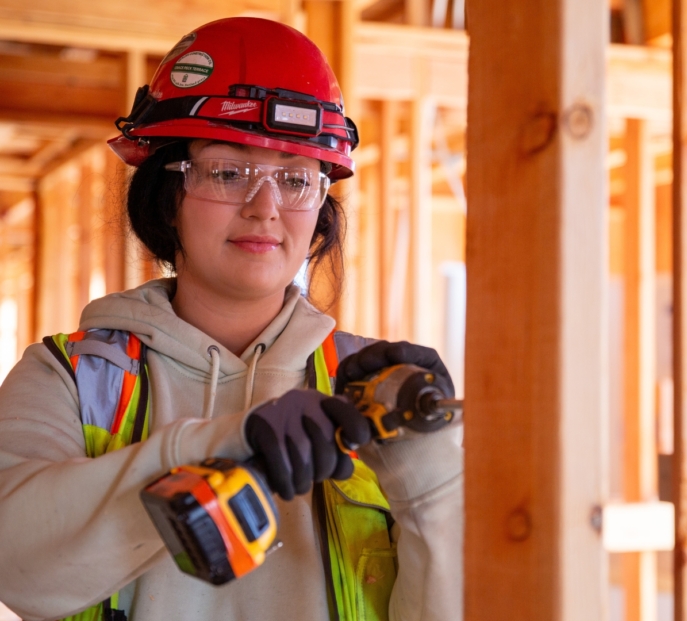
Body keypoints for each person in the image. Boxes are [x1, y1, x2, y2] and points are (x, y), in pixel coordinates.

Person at [0, 17, 463, 621]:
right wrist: (230, 443)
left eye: (296, 178)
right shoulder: (72, 379)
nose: (265, 207)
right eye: (227, 171)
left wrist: (432, 483)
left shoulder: (369, 394)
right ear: (167, 193)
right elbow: (17, 567)